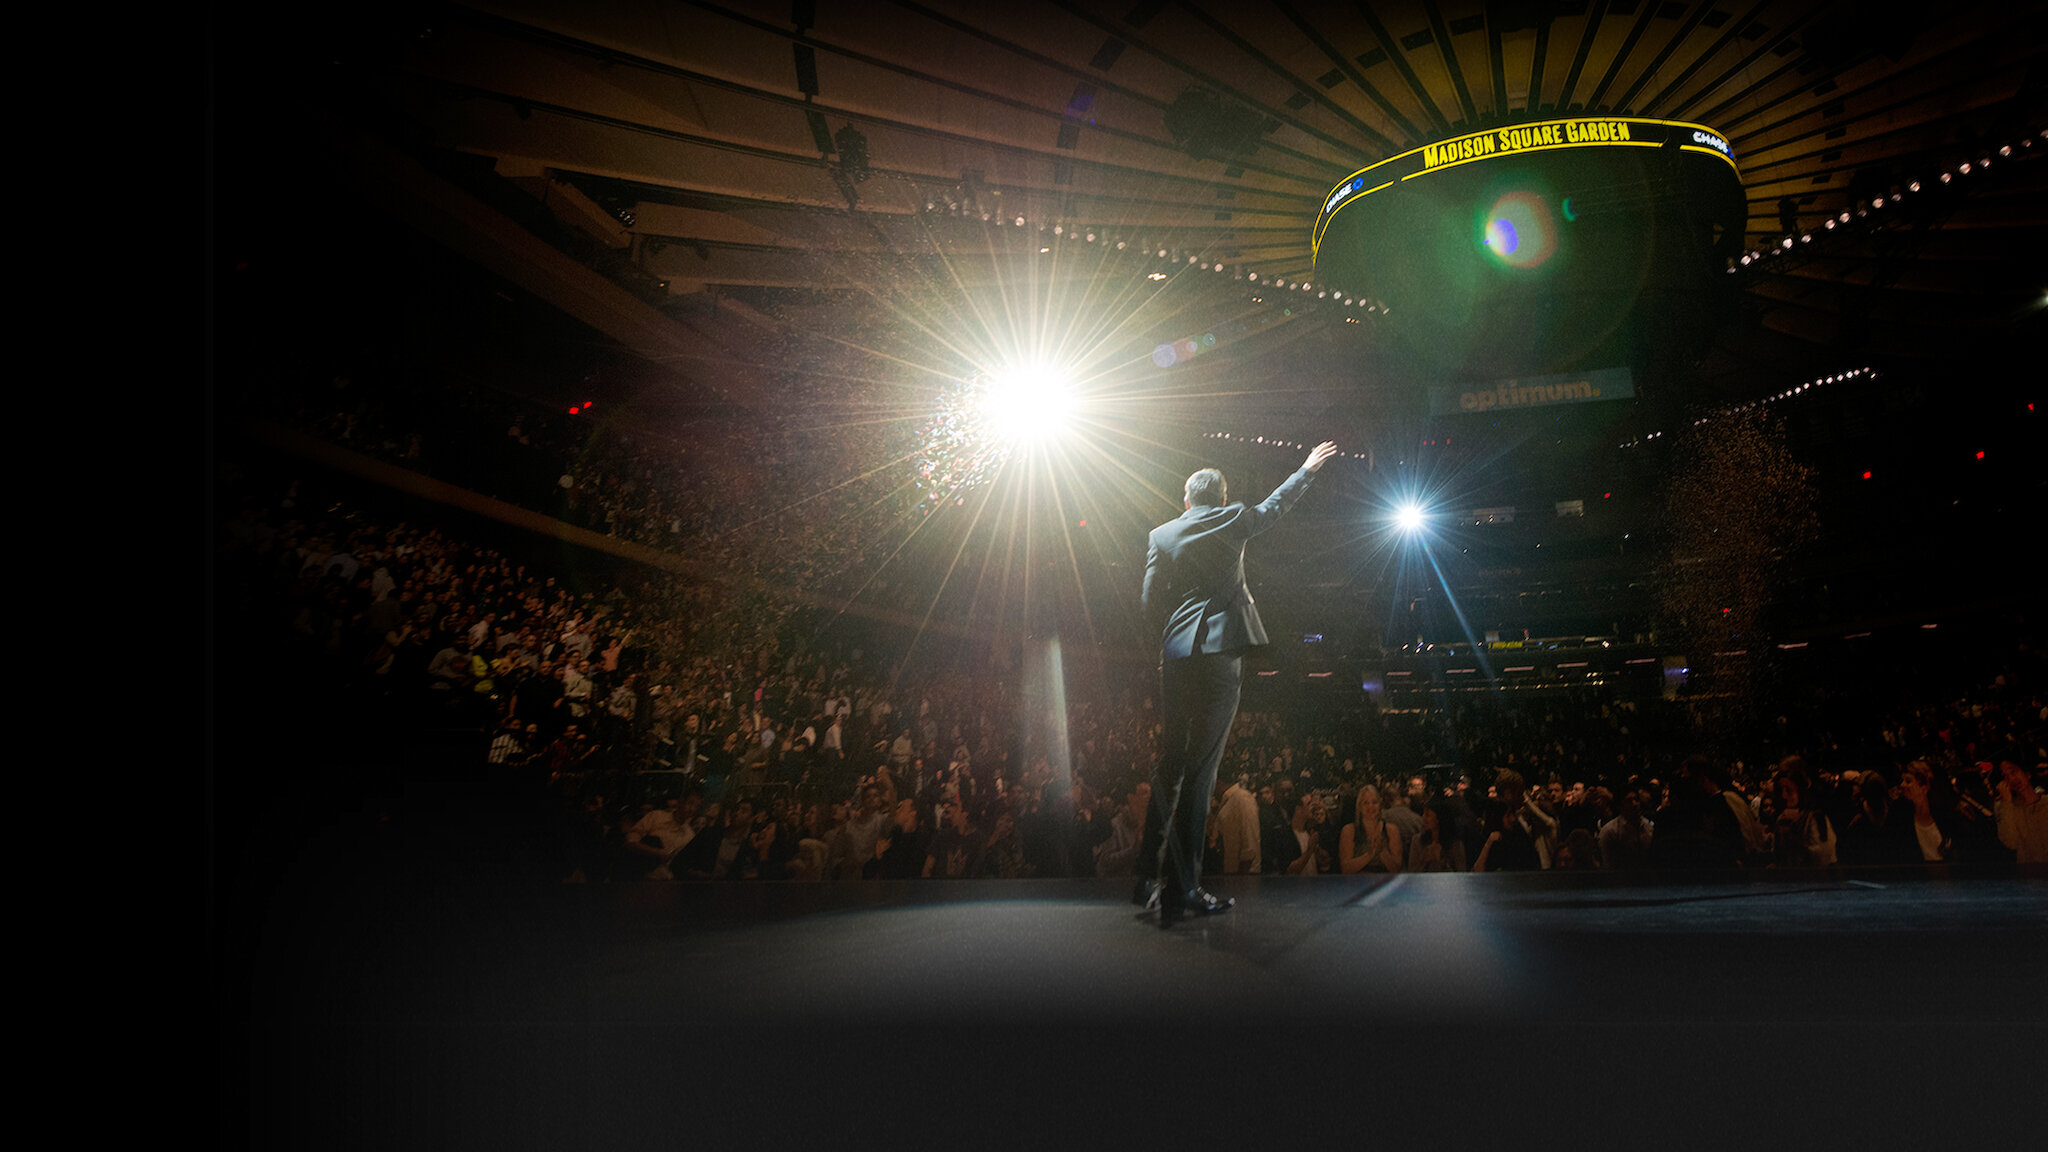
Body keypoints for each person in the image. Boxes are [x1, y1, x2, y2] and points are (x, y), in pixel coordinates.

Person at [1137, 440, 1337, 924]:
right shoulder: (1234, 518)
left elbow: (1148, 602)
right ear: (1222, 498)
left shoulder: (1161, 534)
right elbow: (1275, 506)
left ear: (1185, 500)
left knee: (1170, 766)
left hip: (1177, 654)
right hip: (1220, 656)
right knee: (1202, 775)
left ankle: (1145, 879)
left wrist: (1165, 644)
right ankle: (1183, 889)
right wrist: (1306, 468)